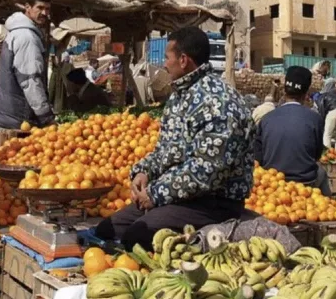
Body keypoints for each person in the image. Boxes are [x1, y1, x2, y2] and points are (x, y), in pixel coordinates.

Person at [95, 27, 254, 249]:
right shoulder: (180, 97)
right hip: (178, 196)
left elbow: (207, 171)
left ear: (183, 60)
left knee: (136, 237)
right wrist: (144, 171)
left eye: (167, 58)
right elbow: (167, 151)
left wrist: (156, 193)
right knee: (106, 230)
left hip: (212, 203)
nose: (163, 64)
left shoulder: (219, 102)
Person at [255, 66, 330, 195]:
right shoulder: (314, 119)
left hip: (273, 183)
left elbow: (257, 156)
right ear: (306, 93)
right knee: (321, 172)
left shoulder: (267, 119)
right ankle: (328, 205)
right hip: (305, 182)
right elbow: (317, 154)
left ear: (284, 90)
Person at [0, 0, 54, 129]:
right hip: (18, 118)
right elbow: (30, 80)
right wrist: (45, 116)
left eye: (47, 9)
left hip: (5, 114)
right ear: (27, 7)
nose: (44, 13)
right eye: (40, 8)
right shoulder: (27, 37)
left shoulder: (16, 32)